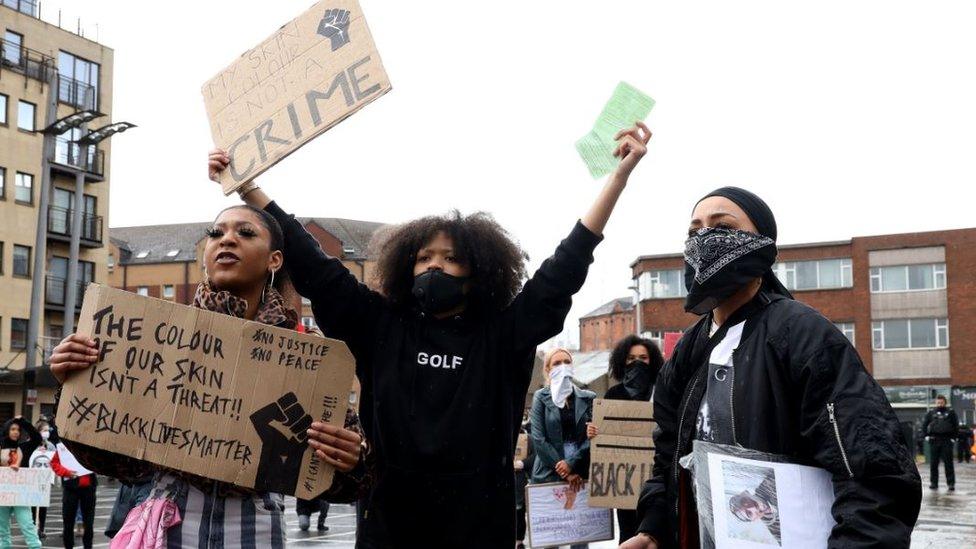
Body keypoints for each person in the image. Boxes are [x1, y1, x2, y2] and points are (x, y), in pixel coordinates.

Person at [207, 121, 652, 548]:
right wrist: (248, 186)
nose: (434, 266)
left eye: (451, 258)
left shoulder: (502, 334)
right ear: (407, 267)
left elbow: (567, 263)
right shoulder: (380, 324)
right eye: (424, 257)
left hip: (480, 529)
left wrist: (618, 177)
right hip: (389, 527)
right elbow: (313, 264)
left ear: (477, 273)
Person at [48, 205, 372, 547]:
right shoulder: (155, 336)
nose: (227, 240)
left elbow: (345, 484)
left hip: (255, 531)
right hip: (170, 527)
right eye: (216, 233)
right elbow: (118, 463)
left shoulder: (304, 355)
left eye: (245, 233)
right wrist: (74, 387)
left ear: (274, 260)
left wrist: (350, 461)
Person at [621, 187, 921, 549]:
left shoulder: (802, 334)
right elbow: (668, 455)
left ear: (761, 242)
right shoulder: (688, 351)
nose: (704, 239)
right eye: (694, 230)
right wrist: (653, 527)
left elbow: (872, 470)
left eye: (722, 226)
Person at [586, 335, 663, 542]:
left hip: (655, 480)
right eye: (631, 358)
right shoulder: (614, 393)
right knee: (628, 535)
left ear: (652, 361)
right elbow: (604, 437)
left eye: (643, 358)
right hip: (624, 484)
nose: (637, 362)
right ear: (622, 362)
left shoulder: (662, 393)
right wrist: (594, 433)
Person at [530, 348, 596, 549]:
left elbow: (592, 437)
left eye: (566, 362)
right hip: (548, 475)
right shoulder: (541, 397)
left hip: (580, 474)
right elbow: (538, 438)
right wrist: (564, 471)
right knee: (551, 538)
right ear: (548, 369)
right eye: (557, 363)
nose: (562, 367)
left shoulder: (588, 397)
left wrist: (573, 464)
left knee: (580, 537)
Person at [0, 417, 42, 549]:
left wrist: (24, 422)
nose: (16, 432)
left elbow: (37, 438)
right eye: (12, 429)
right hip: (2, 494)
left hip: (21, 495)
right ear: (7, 431)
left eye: (18, 429)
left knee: (28, 526)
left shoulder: (24, 447)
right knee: (3, 531)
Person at [51, 440, 97, 549]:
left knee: (89, 522)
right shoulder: (64, 446)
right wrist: (66, 472)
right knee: (68, 521)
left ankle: (88, 546)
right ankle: (68, 546)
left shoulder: (89, 445)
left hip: (88, 488)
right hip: (70, 488)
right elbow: (54, 463)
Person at [27, 419, 57, 540]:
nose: (46, 432)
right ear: (38, 431)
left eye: (47, 430)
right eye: (44, 430)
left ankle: (42, 528)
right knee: (34, 505)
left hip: (45, 479)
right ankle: (34, 526)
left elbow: (54, 459)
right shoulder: (31, 443)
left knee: (43, 504)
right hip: (33, 478)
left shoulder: (50, 445)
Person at [923, 395, 958, 491]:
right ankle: (934, 483)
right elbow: (925, 425)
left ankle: (951, 484)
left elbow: (956, 426)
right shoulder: (931, 413)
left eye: (941, 402)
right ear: (936, 403)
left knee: (948, 463)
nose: (940, 404)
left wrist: (954, 438)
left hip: (946, 440)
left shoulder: (951, 413)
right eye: (938, 402)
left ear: (945, 403)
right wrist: (926, 436)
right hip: (934, 440)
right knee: (934, 463)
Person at [514, 419, 535, 549]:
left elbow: (535, 456)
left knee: (519, 511)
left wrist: (523, 463)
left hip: (520, 481)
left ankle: (519, 541)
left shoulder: (529, 439)